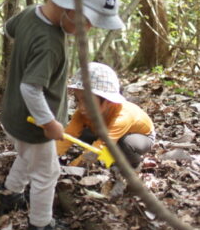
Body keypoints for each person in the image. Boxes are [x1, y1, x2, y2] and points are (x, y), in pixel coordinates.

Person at [0, 0, 124, 230]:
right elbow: (30, 88)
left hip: (13, 115)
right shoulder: (50, 42)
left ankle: (9, 194)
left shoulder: (32, 12)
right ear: (68, 8)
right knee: (46, 173)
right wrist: (49, 122)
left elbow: (9, 30)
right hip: (33, 123)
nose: (88, 28)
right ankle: (40, 227)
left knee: (26, 156)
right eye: (87, 20)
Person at [58, 62, 155, 194]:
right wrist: (50, 158)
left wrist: (70, 169)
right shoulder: (81, 114)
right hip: (104, 132)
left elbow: (101, 145)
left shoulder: (123, 115)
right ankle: (111, 158)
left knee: (124, 143)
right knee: (82, 135)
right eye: (78, 100)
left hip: (139, 137)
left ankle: (134, 164)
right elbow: (67, 137)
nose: (81, 107)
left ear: (108, 101)